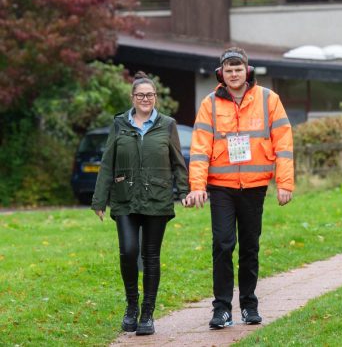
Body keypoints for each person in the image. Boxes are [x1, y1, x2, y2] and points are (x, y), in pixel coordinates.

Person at [183, 47, 294, 329]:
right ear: (222, 74)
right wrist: (197, 186)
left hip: (255, 187)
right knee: (222, 244)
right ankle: (221, 309)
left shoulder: (269, 99)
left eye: (238, 68)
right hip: (220, 186)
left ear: (248, 70)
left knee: (249, 246)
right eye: (228, 70)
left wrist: (284, 182)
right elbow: (199, 148)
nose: (234, 74)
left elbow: (283, 143)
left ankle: (248, 305)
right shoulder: (210, 103)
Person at [91, 71, 189, 335]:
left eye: (150, 95)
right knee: (128, 251)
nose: (145, 99)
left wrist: (184, 192)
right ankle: (131, 306)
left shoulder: (167, 124)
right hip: (124, 198)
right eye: (140, 95)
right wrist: (100, 199)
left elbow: (178, 162)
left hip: (157, 199)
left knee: (151, 256)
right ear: (133, 97)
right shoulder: (119, 124)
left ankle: (147, 314)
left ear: (155, 97)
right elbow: (107, 163)